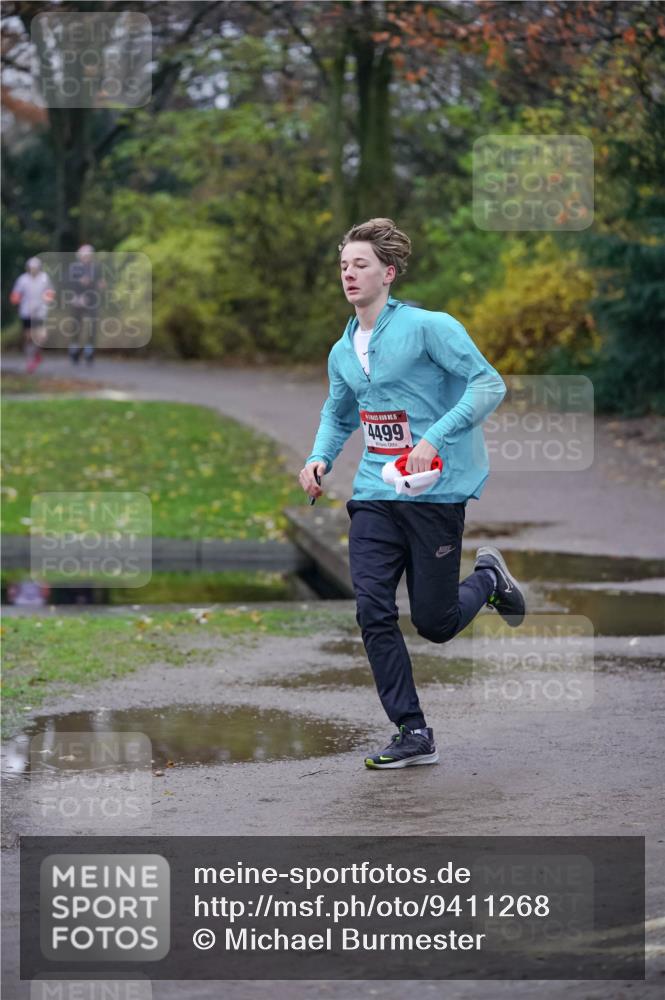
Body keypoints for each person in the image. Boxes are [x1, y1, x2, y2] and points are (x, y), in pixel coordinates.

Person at [298, 218, 526, 770]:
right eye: (344, 266)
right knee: (373, 609)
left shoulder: (430, 327)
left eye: (361, 265)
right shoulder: (342, 350)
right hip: (377, 490)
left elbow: (488, 383)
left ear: (389, 273)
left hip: (435, 490)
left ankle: (489, 579)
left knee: (435, 623)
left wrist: (433, 438)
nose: (349, 274)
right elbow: (338, 411)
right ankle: (412, 730)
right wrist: (319, 456)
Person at [9, 257, 54, 373]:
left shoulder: (44, 278)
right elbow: (16, 294)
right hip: (26, 311)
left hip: (40, 311)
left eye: (36, 268)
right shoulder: (22, 279)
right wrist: (16, 300)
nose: (33, 270)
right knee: (28, 336)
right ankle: (30, 360)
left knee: (41, 337)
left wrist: (46, 300)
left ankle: (36, 353)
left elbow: (50, 293)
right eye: (31, 268)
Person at [66, 244, 104, 365]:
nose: (87, 258)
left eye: (89, 255)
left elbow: (100, 282)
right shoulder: (74, 268)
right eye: (85, 256)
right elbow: (67, 283)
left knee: (93, 325)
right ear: (80, 256)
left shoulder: (96, 267)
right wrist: (76, 295)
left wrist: (100, 285)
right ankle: (74, 350)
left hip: (92, 300)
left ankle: (89, 351)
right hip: (77, 300)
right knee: (76, 326)